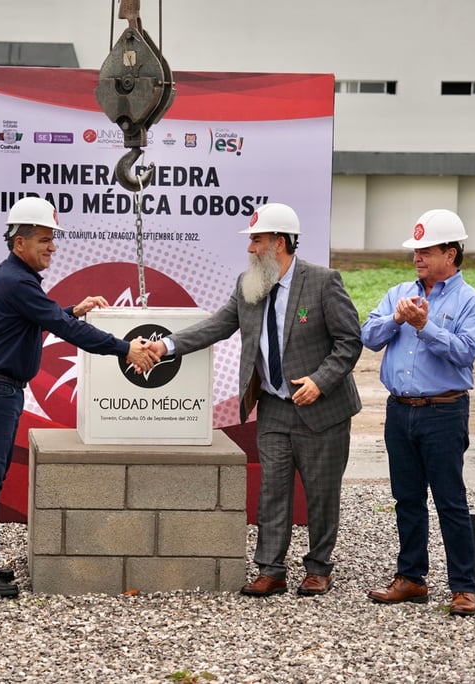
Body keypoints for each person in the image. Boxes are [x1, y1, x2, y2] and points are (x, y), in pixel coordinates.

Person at [146, 203, 362, 598]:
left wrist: (320, 380)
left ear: (279, 243)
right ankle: (271, 569)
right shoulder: (249, 286)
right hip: (276, 407)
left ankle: (318, 568)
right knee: (273, 490)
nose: (250, 248)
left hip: (322, 409)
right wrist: (166, 345)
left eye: (257, 240)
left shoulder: (323, 282)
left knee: (321, 492)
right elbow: (216, 326)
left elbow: (350, 342)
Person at [0, 196, 159, 597]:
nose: (52, 247)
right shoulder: (18, 282)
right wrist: (126, 349)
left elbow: (38, 319)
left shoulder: (13, 279)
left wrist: (73, 308)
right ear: (20, 243)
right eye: (45, 239)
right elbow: (67, 331)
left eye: (53, 239)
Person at [360, 209, 475, 617]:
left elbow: (465, 353)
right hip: (400, 410)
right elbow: (369, 336)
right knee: (406, 498)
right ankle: (412, 578)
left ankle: (464, 587)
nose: (417, 257)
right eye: (415, 250)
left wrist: (424, 326)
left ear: (450, 253)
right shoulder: (399, 291)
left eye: (426, 250)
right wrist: (398, 317)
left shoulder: (472, 301)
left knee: (450, 499)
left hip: (444, 411)